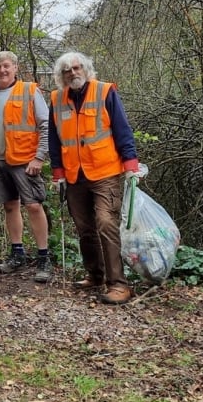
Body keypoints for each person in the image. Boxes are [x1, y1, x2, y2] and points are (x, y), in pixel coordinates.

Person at [49, 51, 141, 305]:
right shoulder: (56, 99)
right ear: (61, 76)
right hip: (73, 174)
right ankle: (95, 275)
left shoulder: (104, 92)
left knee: (106, 224)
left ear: (87, 70)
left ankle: (119, 284)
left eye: (77, 68)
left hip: (105, 172)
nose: (73, 73)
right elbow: (54, 139)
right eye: (67, 70)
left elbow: (122, 129)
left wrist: (131, 164)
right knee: (84, 229)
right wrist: (57, 172)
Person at [0, 51, 53, 283]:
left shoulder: (29, 91)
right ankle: (17, 254)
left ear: (15, 68)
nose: (2, 70)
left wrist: (39, 157)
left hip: (25, 160)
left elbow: (46, 125)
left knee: (33, 206)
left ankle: (43, 258)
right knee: (10, 206)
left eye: (6, 66)